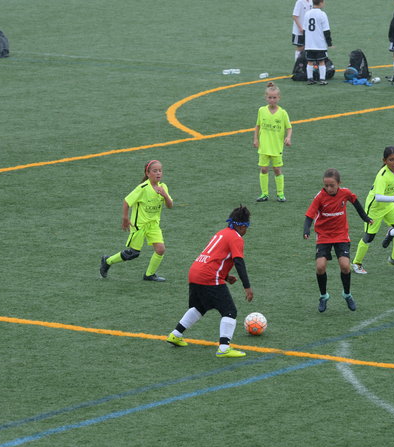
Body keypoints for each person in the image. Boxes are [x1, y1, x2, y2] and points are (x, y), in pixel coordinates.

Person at [166, 206, 253, 358]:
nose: (247, 230)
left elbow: (214, 258)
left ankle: (175, 334)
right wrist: (247, 287)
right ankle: (224, 348)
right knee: (229, 311)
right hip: (209, 276)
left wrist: (226, 276)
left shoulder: (221, 233)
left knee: (200, 306)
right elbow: (239, 262)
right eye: (247, 227)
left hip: (195, 272)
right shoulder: (236, 238)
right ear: (241, 226)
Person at [304, 169, 372, 312]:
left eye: (332, 185)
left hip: (341, 235)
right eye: (326, 185)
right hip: (324, 236)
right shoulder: (320, 197)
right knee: (320, 267)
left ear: (339, 183)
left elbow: (356, 203)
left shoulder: (345, 193)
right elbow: (310, 214)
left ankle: (347, 294)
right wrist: (306, 229)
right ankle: (323, 296)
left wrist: (365, 218)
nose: (329, 188)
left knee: (345, 266)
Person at [100, 160, 173, 282]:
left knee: (160, 249)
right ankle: (107, 261)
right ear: (147, 173)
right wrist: (125, 218)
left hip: (153, 225)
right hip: (139, 226)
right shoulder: (142, 188)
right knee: (133, 253)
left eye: (160, 171)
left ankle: (149, 275)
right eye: (155, 171)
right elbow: (126, 201)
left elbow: (170, 206)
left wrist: (165, 195)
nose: (158, 173)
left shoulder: (163, 187)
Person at [352, 146, 394, 274]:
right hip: (375, 209)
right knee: (369, 237)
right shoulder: (382, 176)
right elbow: (378, 197)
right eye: (391, 160)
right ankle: (357, 263)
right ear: (384, 161)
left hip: (388, 206)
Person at [253, 82, 292, 203]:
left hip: (276, 147)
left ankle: (280, 194)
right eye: (270, 97)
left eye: (274, 97)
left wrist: (288, 137)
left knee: (277, 170)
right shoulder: (261, 110)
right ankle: (264, 194)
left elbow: (289, 128)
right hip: (264, 146)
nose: (272, 100)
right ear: (266, 97)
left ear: (279, 98)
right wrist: (256, 139)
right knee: (264, 169)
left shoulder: (283, 113)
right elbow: (258, 126)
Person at [303, 0, 332, 85]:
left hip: (309, 44)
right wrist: (329, 43)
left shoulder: (307, 14)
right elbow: (326, 30)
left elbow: (304, 30)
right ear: (321, 3)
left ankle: (310, 79)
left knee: (310, 62)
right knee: (321, 61)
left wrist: (305, 42)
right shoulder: (322, 14)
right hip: (319, 44)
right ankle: (322, 79)